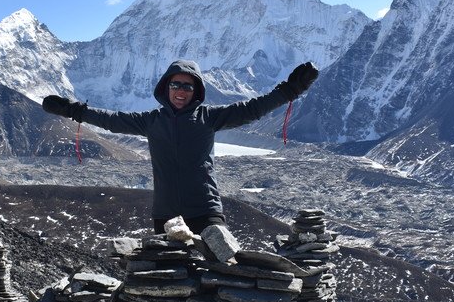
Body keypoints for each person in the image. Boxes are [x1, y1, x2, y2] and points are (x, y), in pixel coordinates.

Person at [42, 60, 318, 234]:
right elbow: (111, 120)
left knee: (219, 278)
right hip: (165, 215)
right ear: (166, 87)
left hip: (206, 212)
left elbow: (253, 109)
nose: (181, 90)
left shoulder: (209, 117)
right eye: (176, 84)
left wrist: (289, 91)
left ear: (196, 92)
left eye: (187, 86)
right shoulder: (151, 121)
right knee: (170, 287)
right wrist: (71, 110)